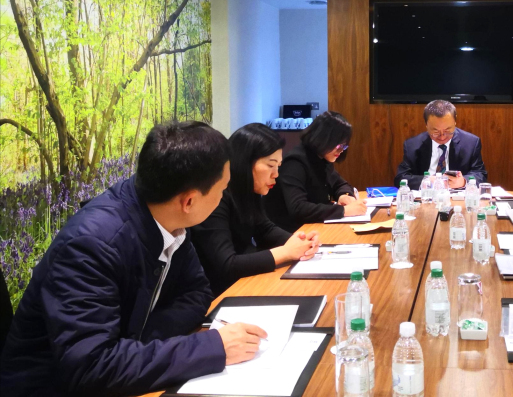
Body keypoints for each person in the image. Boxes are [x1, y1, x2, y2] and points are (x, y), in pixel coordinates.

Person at [0, 122, 269, 396]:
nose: (224, 196)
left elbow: (197, 292)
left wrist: (138, 343)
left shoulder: (170, 218)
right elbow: (91, 367)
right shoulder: (91, 246)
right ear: (189, 202)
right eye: (222, 190)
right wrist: (211, 348)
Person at [192, 123, 321, 296]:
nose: (276, 174)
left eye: (278, 166)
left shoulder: (248, 189)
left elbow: (263, 228)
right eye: (270, 165)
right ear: (245, 162)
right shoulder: (216, 197)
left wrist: (299, 241)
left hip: (243, 283)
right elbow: (226, 265)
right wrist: (286, 252)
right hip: (219, 293)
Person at [264, 111, 367, 232]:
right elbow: (298, 208)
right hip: (288, 232)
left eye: (344, 146)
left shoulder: (322, 158)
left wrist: (344, 195)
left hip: (311, 227)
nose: (341, 151)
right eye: (338, 146)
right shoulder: (295, 162)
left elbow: (340, 184)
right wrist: (344, 211)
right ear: (323, 139)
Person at [394, 100, 488, 189]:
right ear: (426, 125)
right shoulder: (412, 145)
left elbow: (480, 174)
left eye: (448, 130)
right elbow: (401, 178)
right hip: (426, 195)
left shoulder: (471, 143)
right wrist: (427, 180)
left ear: (455, 122)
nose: (442, 137)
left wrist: (463, 181)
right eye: (435, 131)